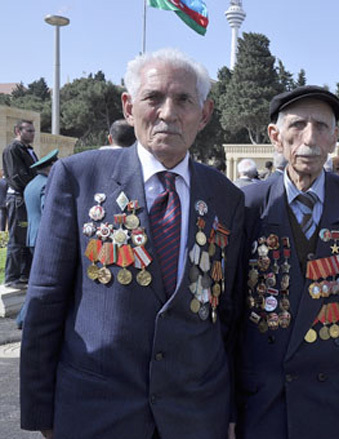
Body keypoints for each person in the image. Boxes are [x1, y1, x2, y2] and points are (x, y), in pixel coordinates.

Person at [20, 48, 244, 439]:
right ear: (128, 106)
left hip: (194, 417)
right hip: (96, 413)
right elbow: (45, 300)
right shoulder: (79, 178)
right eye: (153, 98)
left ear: (204, 114)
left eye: (184, 100)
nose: (168, 113)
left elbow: (226, 314)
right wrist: (41, 412)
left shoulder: (226, 197)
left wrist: (229, 410)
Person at [238, 85, 339, 439]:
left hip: (337, 398)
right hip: (264, 399)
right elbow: (231, 312)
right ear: (275, 136)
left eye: (321, 127)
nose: (309, 137)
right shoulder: (247, 204)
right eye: (298, 126)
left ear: (335, 137)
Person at [15, 149, 59, 330]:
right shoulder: (46, 185)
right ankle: (24, 317)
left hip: (33, 236)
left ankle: (24, 317)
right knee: (42, 279)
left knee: (37, 277)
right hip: (44, 237)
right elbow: (48, 211)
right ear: (50, 167)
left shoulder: (31, 184)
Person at [2, 119, 38, 287]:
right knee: (17, 239)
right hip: (18, 199)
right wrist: (34, 188)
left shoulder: (28, 150)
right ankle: (11, 278)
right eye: (29, 131)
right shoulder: (13, 149)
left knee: (26, 238)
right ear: (18, 131)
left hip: (27, 198)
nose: (32, 134)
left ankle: (24, 275)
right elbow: (17, 177)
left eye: (33, 131)